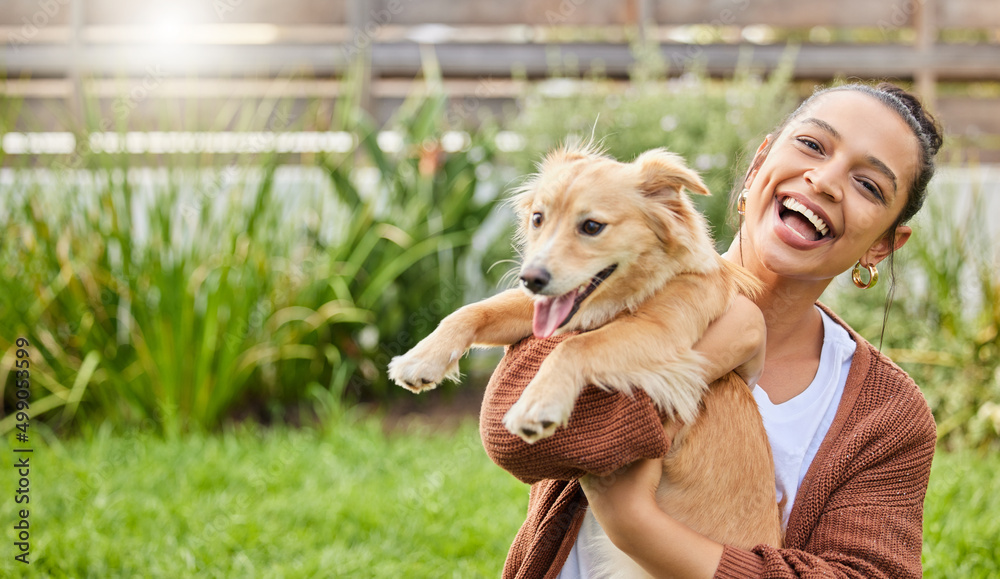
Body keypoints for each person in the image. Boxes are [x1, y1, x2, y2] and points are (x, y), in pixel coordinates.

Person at [479, 82, 942, 578]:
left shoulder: (888, 415)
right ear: (757, 166)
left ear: (883, 246)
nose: (825, 180)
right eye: (811, 145)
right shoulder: (608, 286)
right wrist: (714, 353)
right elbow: (518, 440)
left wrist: (636, 524)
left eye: (869, 185)